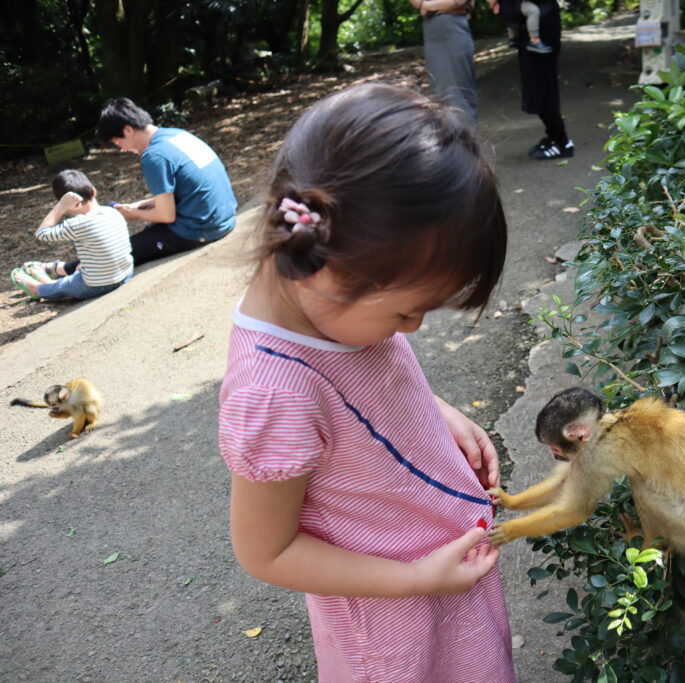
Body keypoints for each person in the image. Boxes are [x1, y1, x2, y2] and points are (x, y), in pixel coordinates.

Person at [218, 83, 515, 682]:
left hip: (442, 579)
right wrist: (413, 580)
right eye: (406, 313)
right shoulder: (274, 394)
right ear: (322, 268)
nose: (415, 326)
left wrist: (435, 411)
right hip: (395, 628)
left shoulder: (342, 314)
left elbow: (368, 379)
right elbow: (265, 551)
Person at [40, 97, 237, 280]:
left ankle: (63, 270)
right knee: (149, 233)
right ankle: (65, 268)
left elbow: (166, 215)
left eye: (117, 142)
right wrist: (139, 205)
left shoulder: (154, 156)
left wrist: (133, 213)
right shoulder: (177, 135)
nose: (122, 149)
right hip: (224, 218)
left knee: (118, 252)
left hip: (202, 230)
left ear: (128, 130)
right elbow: (188, 189)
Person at [11, 169, 132, 301]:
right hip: (126, 274)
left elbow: (42, 233)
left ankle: (39, 289)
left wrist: (60, 206)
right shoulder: (112, 212)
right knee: (78, 272)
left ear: (72, 205)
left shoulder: (77, 223)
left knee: (65, 286)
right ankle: (54, 279)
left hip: (99, 284)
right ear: (94, 191)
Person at [491, 0, 573, 159]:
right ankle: (553, 136)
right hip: (527, 30)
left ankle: (562, 142)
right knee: (535, 87)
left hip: (543, 28)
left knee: (543, 86)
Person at [410, 0, 478, 121]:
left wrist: (427, 6)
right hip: (434, 29)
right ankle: (455, 137)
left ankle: (465, 137)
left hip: (453, 25)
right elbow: (417, 3)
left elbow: (461, 3)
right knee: (443, 99)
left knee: (459, 98)